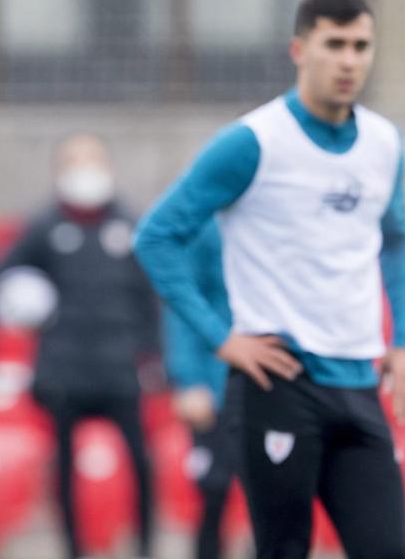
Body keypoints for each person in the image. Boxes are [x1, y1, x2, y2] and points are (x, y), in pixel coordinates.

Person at [133, 0, 405, 558]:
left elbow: (395, 242)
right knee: (284, 549)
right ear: (299, 49)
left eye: (361, 45)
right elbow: (156, 237)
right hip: (277, 385)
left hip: (359, 385)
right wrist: (221, 340)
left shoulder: (385, 143)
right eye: (334, 44)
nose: (348, 59)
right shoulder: (252, 142)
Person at [0, 133, 158, 559]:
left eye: (93, 159)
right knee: (64, 469)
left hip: (119, 369)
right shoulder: (44, 226)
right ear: (59, 171)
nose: (85, 169)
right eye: (76, 161)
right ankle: (72, 549)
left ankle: (145, 547)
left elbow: (151, 297)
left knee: (142, 463)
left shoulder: (129, 224)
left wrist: (155, 356)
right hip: (63, 372)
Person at [161, 220, 242, 559]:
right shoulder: (208, 229)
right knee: (214, 492)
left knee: (277, 501)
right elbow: (183, 304)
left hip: (276, 386)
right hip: (217, 384)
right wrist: (189, 378)